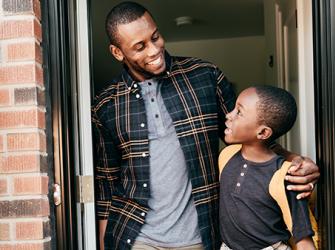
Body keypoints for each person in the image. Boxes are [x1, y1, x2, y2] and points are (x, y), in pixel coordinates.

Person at [91, 2, 319, 250]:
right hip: (136, 237)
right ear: (117, 52)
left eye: (155, 37)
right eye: (140, 47)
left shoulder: (205, 76)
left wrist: (295, 161)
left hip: (199, 236)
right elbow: (107, 181)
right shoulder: (106, 105)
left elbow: (252, 136)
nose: (154, 49)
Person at [219, 86, 315, 250]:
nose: (228, 115)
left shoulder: (285, 176)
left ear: (263, 132)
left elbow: (303, 239)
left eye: (239, 112)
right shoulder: (226, 156)